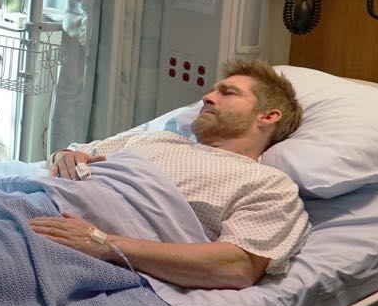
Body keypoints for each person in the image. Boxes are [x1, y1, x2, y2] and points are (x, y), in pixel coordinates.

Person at [29, 59, 309, 291]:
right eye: (213, 91)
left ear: (268, 116)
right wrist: (65, 156)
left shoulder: (268, 184)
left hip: (66, 239)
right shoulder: (159, 139)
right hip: (41, 202)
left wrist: (104, 243)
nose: (207, 97)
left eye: (228, 93)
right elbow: (77, 151)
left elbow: (238, 267)